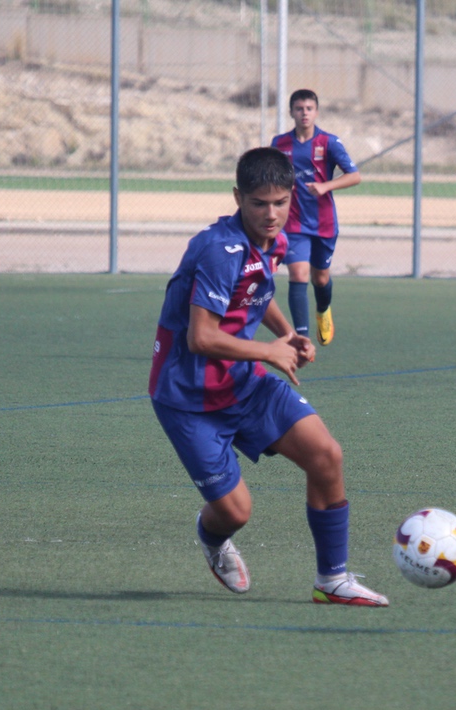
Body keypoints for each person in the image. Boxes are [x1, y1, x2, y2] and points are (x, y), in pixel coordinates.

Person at [148, 146, 387, 607]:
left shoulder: (273, 238)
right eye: (259, 203)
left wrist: (290, 334)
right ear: (238, 197)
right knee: (236, 512)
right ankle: (213, 539)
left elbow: (257, 291)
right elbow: (201, 337)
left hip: (243, 382)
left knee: (326, 455)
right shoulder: (220, 250)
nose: (271, 213)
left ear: (291, 197)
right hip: (188, 397)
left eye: (280, 202)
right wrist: (270, 352)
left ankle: (332, 580)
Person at [271, 89, 361, 346]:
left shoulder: (329, 142)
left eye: (309, 108)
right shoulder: (280, 144)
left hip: (324, 223)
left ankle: (323, 310)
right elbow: (270, 175)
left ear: (316, 112)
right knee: (298, 273)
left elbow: (354, 176)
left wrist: (326, 186)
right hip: (293, 223)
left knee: (320, 278)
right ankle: (302, 337)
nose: (304, 113)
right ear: (291, 112)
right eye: (299, 109)